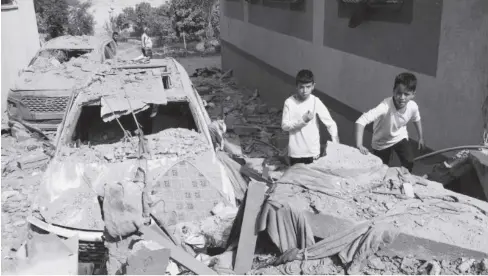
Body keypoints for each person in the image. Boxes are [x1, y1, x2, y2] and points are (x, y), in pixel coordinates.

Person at [355, 72, 425, 172]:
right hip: (381, 142)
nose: (402, 97)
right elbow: (361, 121)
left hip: (399, 137)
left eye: (406, 94)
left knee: (409, 162)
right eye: (399, 93)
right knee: (382, 168)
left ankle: (404, 180)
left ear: (413, 94)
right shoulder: (385, 107)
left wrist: (421, 138)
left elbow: (416, 119)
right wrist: (359, 145)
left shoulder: (413, 106)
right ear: (393, 91)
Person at [282, 69, 339, 166]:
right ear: (296, 86)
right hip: (296, 153)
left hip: (313, 152)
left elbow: (330, 123)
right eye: (301, 87)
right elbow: (285, 126)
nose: (305, 91)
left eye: (308, 87)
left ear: (313, 86)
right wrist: (303, 121)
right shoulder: (289, 102)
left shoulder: (315, 101)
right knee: (295, 180)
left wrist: (335, 140)